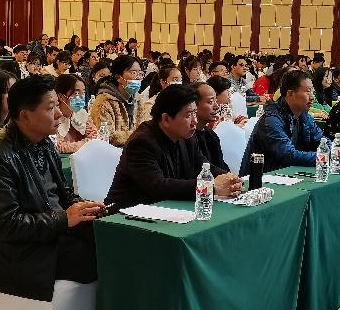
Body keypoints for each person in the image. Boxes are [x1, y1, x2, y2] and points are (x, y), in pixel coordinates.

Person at [0, 75, 104, 302]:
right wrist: (64, 219)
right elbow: (6, 225)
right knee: (103, 256)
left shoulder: (44, 143)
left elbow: (62, 194)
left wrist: (83, 208)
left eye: (57, 106)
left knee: (112, 235)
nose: (59, 113)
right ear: (25, 115)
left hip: (51, 236)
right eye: (50, 108)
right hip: (21, 254)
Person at [105, 85, 241, 209]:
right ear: (166, 119)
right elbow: (159, 187)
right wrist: (211, 187)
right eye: (188, 115)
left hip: (167, 210)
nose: (194, 121)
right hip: (126, 215)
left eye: (195, 113)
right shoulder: (141, 143)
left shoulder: (187, 136)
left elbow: (203, 165)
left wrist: (229, 179)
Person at [240, 70, 331, 174]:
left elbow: (322, 140)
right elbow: (288, 155)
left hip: (289, 174)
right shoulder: (271, 120)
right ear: (290, 94)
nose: (312, 97)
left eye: (313, 92)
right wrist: (324, 157)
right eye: (308, 91)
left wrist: (333, 150)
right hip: (263, 178)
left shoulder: (304, 116)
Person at [90, 55, 142, 146]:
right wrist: (139, 137)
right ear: (118, 77)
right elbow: (108, 136)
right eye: (133, 72)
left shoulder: (138, 99)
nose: (138, 77)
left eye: (140, 73)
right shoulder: (104, 102)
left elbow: (144, 129)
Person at [190, 82, 229, 172]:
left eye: (216, 100)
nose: (216, 106)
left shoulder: (211, 135)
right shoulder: (187, 138)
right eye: (210, 102)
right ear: (193, 105)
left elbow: (221, 166)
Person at [55, 74, 98, 153]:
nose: (81, 97)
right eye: (76, 93)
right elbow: (59, 146)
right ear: (61, 96)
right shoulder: (54, 117)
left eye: (83, 93)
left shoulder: (82, 113)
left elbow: (94, 136)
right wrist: (86, 143)